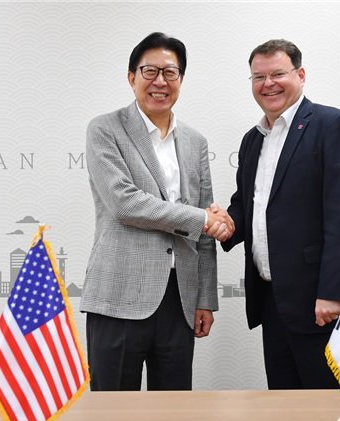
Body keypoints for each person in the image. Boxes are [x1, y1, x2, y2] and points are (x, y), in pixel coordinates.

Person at [81, 32, 233, 391]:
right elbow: (125, 203)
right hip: (119, 297)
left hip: (179, 299)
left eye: (170, 72)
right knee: (113, 411)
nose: (160, 81)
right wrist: (202, 219)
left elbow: (205, 228)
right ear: (131, 77)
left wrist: (205, 299)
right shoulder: (105, 129)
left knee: (175, 411)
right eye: (150, 71)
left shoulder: (195, 141)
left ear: (181, 79)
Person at [218, 39, 340, 389]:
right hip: (273, 301)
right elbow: (248, 204)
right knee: (284, 405)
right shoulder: (253, 139)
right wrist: (226, 223)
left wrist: (333, 293)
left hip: (319, 302)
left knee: (327, 406)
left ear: (300, 75)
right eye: (259, 77)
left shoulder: (333, 125)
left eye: (278, 74)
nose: (268, 84)